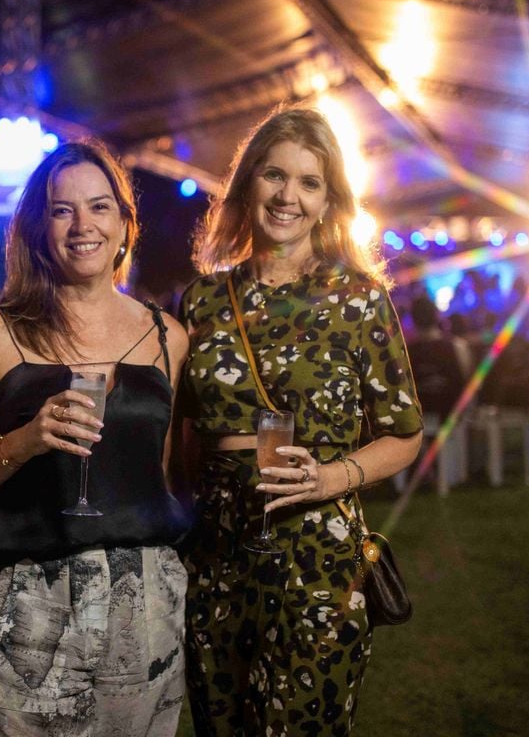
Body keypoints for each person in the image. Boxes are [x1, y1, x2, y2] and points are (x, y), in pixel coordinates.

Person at [0, 140, 190, 736]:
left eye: (99, 207)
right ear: (37, 228)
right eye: (61, 210)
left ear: (124, 224)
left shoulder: (167, 337)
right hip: (30, 602)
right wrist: (24, 440)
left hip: (146, 602)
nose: (82, 225)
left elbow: (164, 476)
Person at [175, 106, 423, 736]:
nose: (289, 196)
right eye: (274, 175)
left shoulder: (359, 298)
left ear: (328, 200)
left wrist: (331, 479)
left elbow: (404, 434)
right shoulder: (203, 299)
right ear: (247, 183)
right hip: (218, 553)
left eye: (309, 182)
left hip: (319, 559)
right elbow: (183, 433)